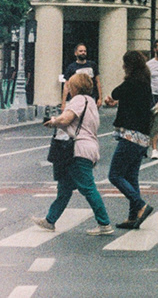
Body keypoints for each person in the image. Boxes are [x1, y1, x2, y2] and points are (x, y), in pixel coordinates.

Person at [34, 73, 112, 235]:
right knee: (64, 188)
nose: (68, 88)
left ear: (75, 87)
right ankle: (50, 220)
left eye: (70, 85)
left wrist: (54, 121)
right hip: (88, 147)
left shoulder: (78, 100)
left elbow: (66, 119)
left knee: (88, 188)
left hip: (78, 150)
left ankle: (104, 224)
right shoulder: (90, 102)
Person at [102, 50, 156, 230]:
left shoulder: (132, 82)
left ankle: (140, 205)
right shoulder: (144, 83)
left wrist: (114, 99)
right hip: (143, 137)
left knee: (115, 175)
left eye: (125, 64)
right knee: (131, 177)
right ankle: (134, 217)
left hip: (130, 136)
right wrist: (117, 102)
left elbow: (116, 92)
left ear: (129, 66)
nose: (123, 67)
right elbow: (128, 101)